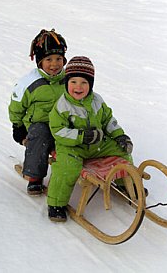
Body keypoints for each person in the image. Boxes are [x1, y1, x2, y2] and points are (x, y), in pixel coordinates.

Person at [47, 56, 134, 222]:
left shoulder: (97, 101)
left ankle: (126, 184)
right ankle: (56, 203)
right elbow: (58, 131)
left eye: (84, 83)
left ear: (91, 84)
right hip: (72, 147)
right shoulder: (62, 106)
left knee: (122, 151)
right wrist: (80, 137)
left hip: (97, 144)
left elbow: (108, 120)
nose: (78, 87)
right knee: (67, 168)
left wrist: (119, 135)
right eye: (73, 82)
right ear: (66, 83)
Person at [8, 29, 67, 195]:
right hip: (40, 123)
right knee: (39, 137)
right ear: (40, 61)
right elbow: (16, 105)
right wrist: (17, 126)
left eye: (58, 59)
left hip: (62, 122)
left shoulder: (69, 79)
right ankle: (35, 177)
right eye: (49, 59)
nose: (54, 64)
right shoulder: (30, 82)